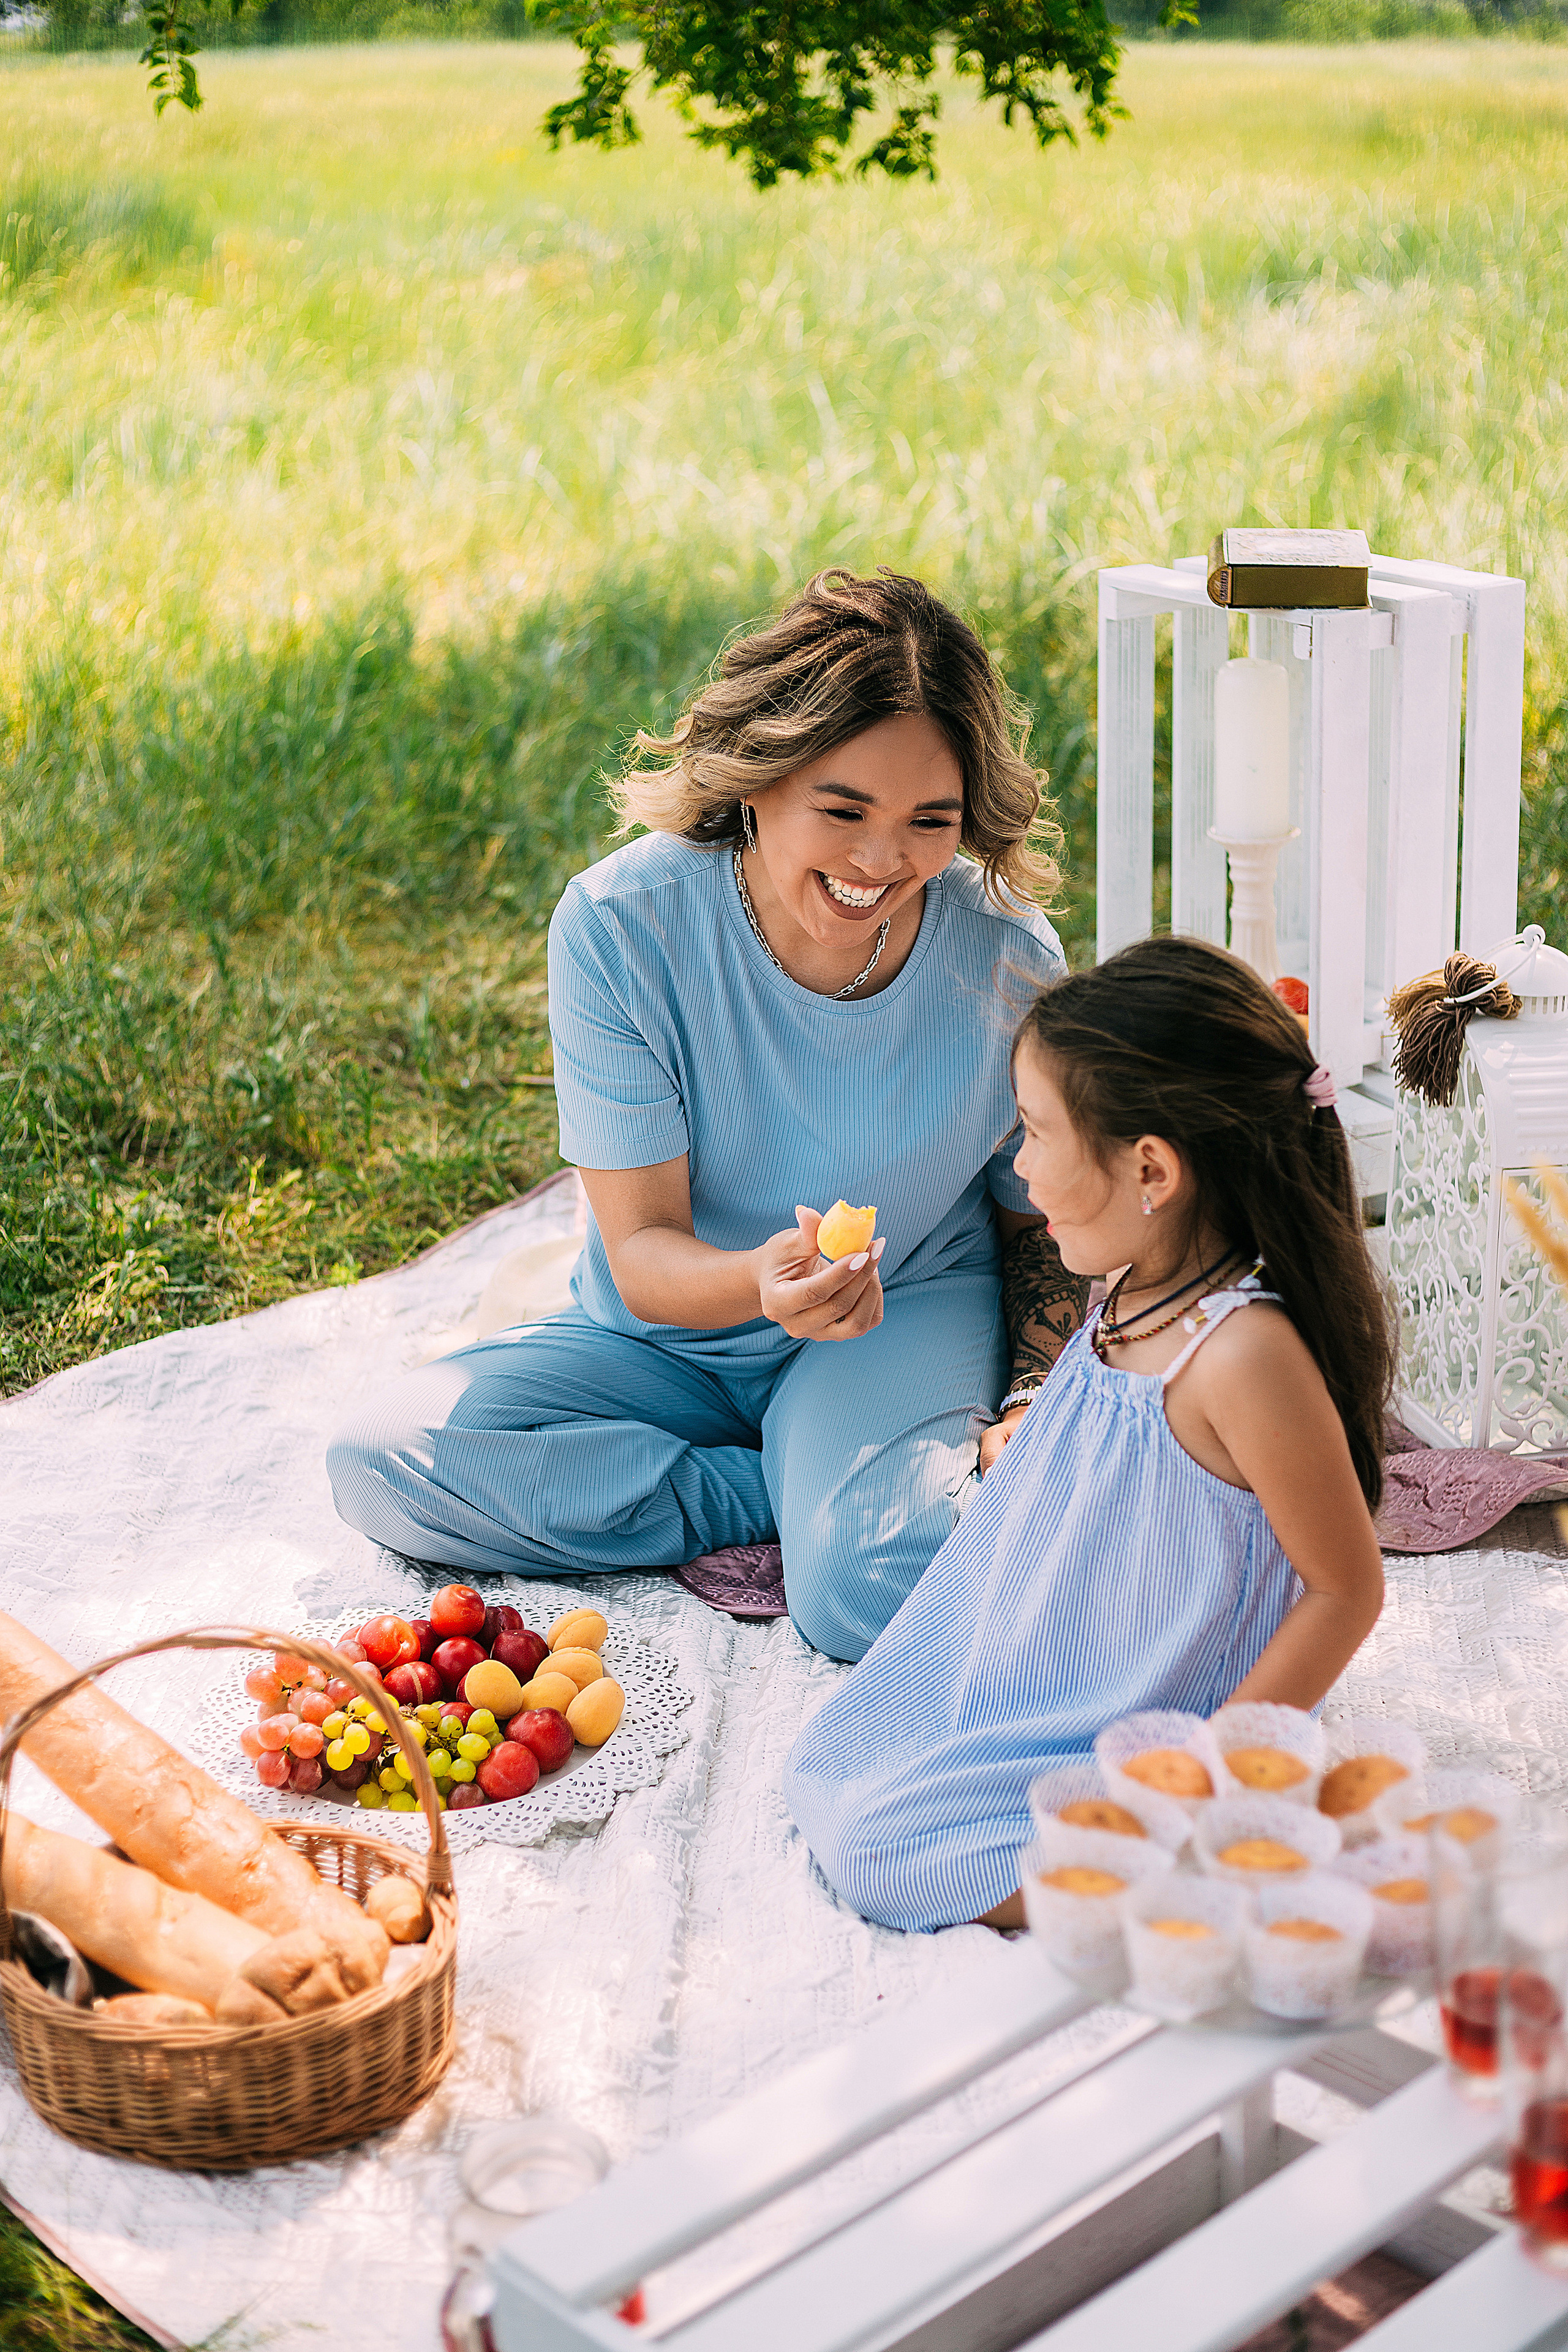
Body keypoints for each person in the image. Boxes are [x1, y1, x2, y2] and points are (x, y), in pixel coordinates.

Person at [326, 570, 1089, 1661]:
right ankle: (765, 1492)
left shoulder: (1007, 959)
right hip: (672, 1333)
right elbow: (641, 1250)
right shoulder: (619, 928)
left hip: (895, 1312)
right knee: (382, 1460)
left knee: (867, 1593)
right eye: (843, 810)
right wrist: (759, 1284)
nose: (883, 862)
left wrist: (1031, 1400)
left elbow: (1040, 1224)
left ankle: (828, 1504)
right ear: (758, 780)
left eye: (931, 821)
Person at [783, 935, 1394, 1926]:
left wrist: (1209, 1780)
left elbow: (1346, 1588)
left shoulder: (1241, 1355)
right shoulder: (1134, 1283)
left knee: (886, 1851)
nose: (1019, 1169)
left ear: (1150, 1169)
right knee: (845, 1758)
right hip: (1074, 1649)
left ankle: (1149, 1869)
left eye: (1033, 1133)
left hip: (1165, 1705)